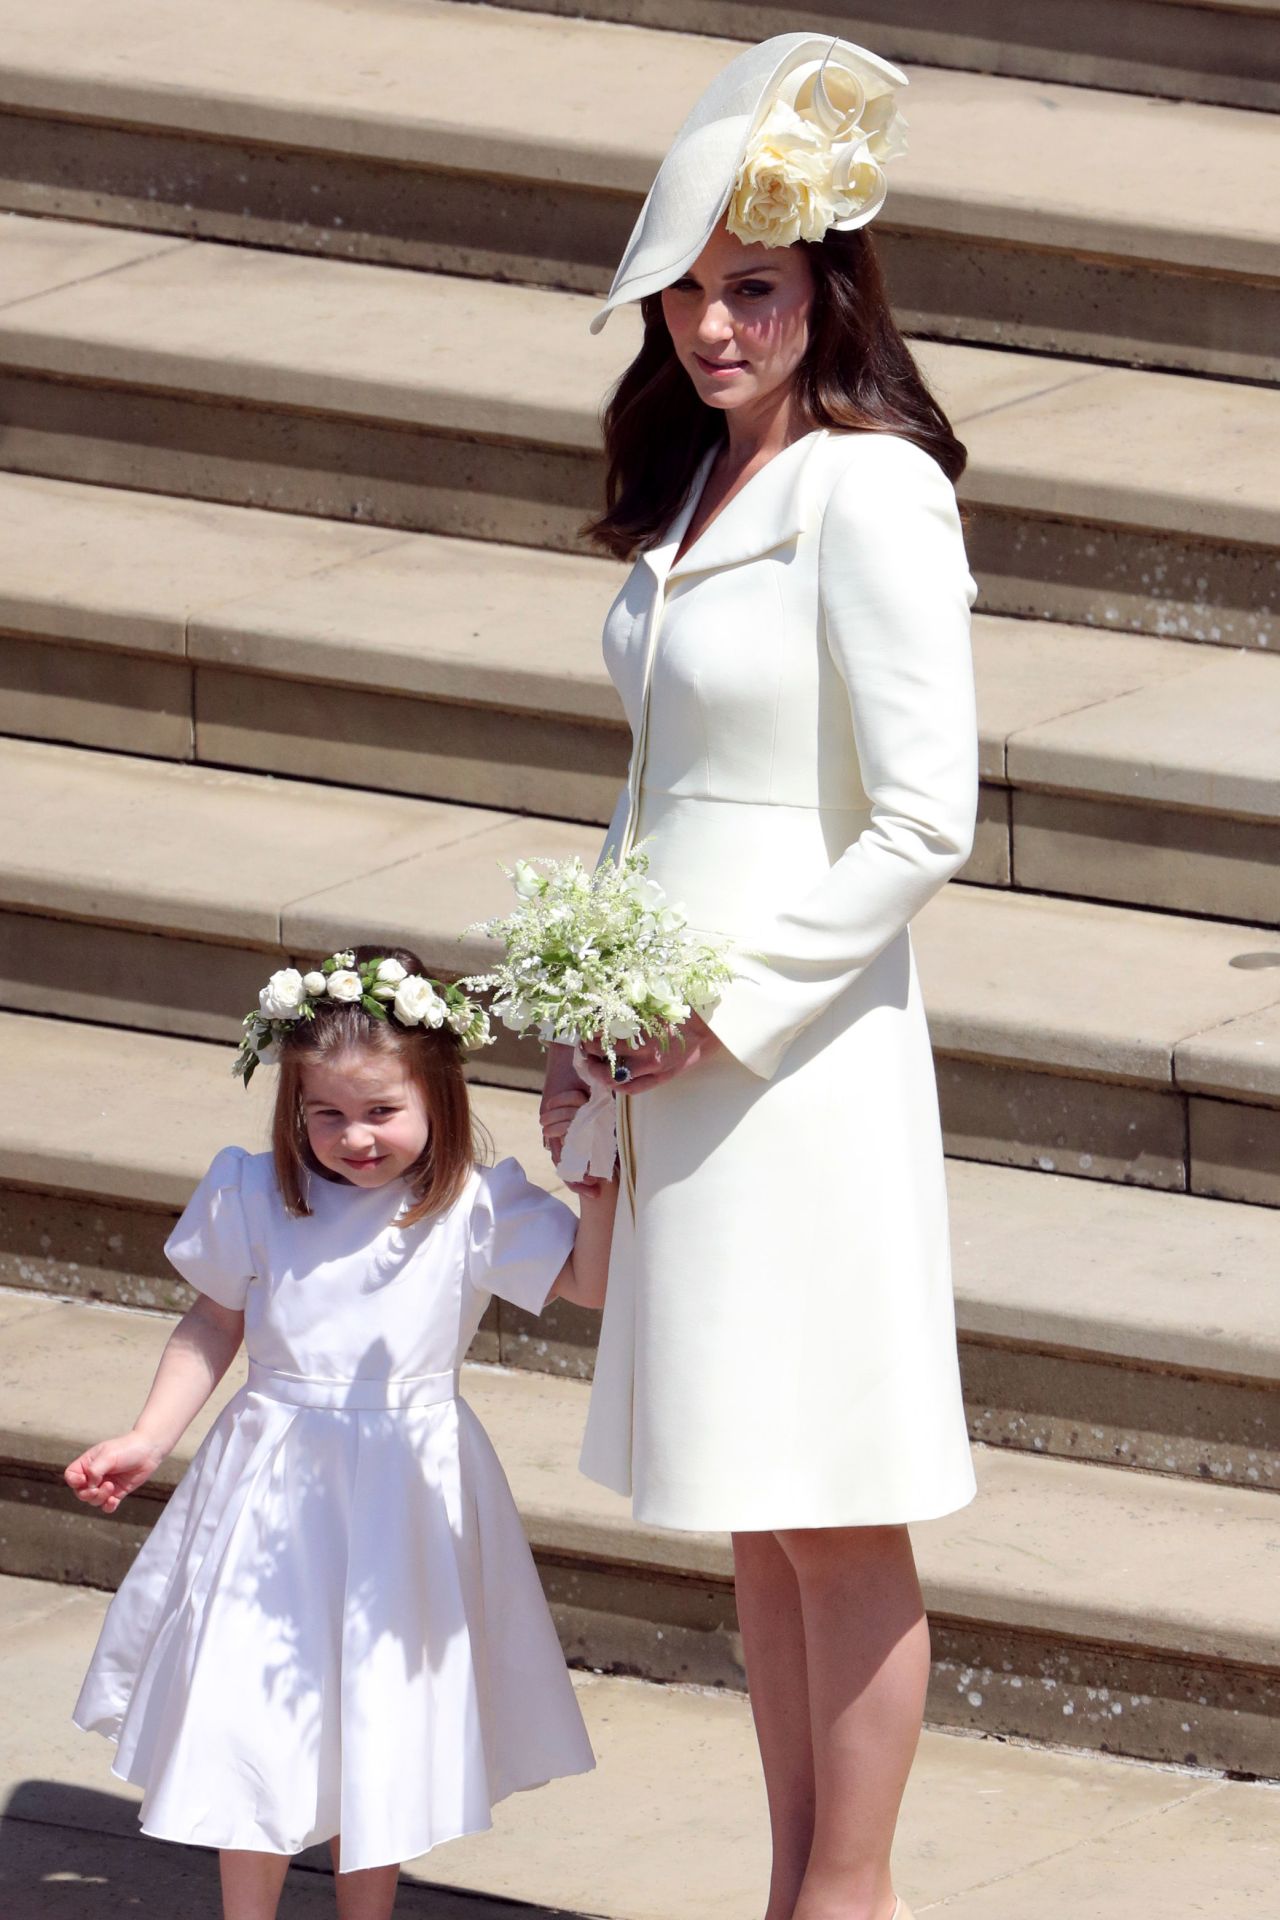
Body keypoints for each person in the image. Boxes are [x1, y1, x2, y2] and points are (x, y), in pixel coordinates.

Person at [541, 35, 978, 1920]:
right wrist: (591, 1014)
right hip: (669, 1068)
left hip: (795, 1071)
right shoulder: (707, 491)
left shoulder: (869, 495)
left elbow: (922, 821)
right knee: (761, 1510)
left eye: (755, 290)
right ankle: (796, 1880)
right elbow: (664, 792)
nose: (716, 329)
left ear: (825, 291)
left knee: (837, 1498)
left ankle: (849, 1896)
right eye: (691, 294)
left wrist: (719, 1003)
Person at [68, 945, 614, 1920]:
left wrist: (600, 1184)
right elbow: (214, 1319)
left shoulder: (471, 1208)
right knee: (251, 1711)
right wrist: (151, 1435)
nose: (354, 1137)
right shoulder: (256, 1194)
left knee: (382, 1717)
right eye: (326, 1114)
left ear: (438, 1098)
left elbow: (592, 1283)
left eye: (380, 1111)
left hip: (405, 1493)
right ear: (292, 1109)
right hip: (268, 1486)